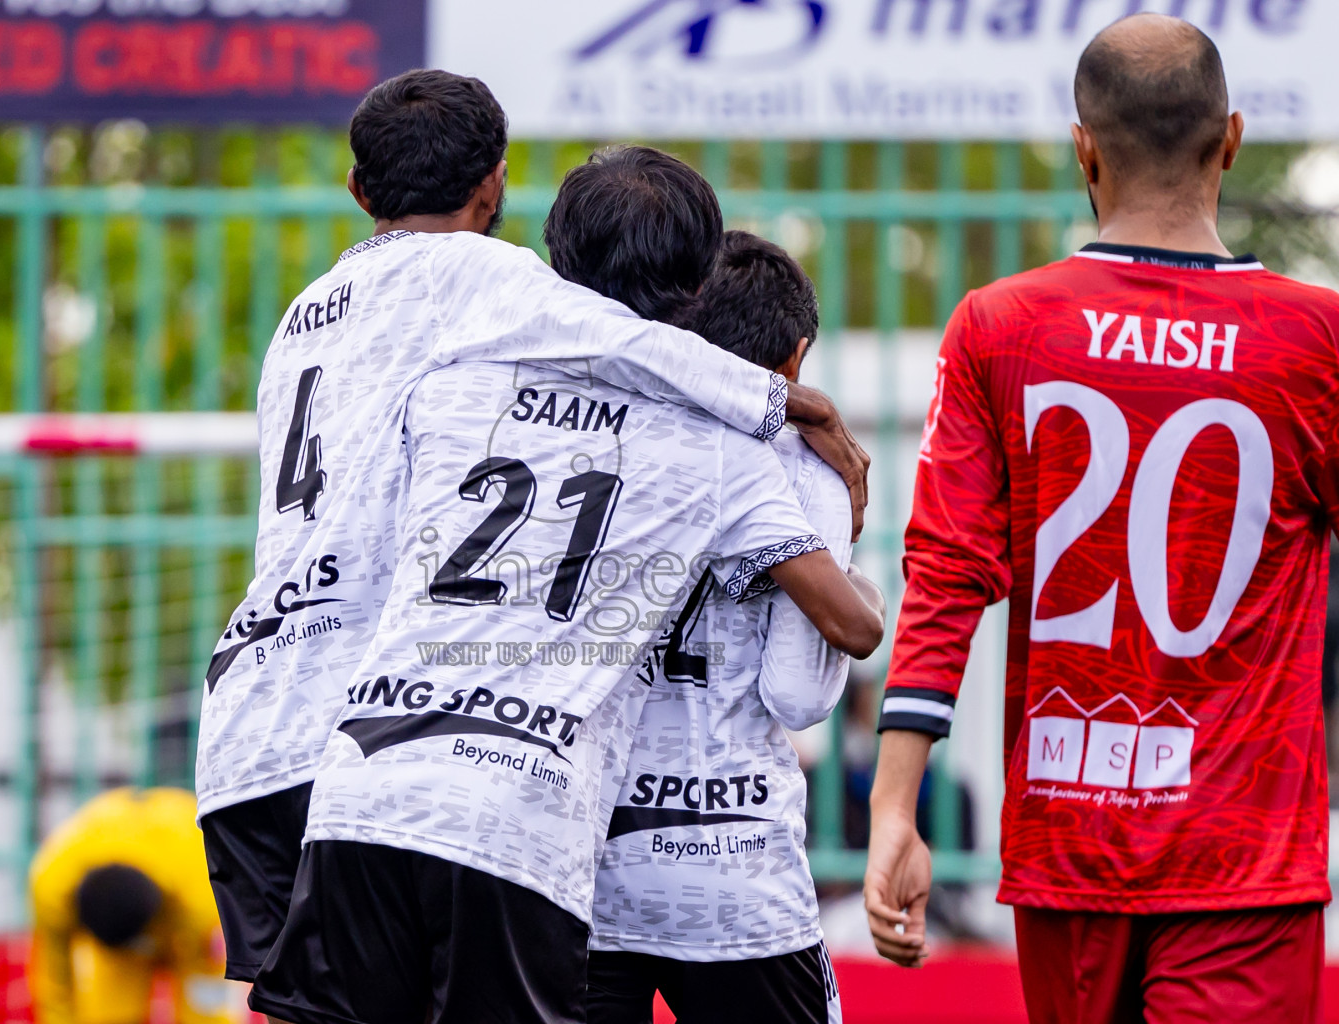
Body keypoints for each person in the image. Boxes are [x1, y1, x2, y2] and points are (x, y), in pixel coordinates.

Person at [194, 69, 869, 987]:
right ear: (496, 184)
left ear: (357, 191)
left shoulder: (303, 319)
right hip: (387, 727)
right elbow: (634, 346)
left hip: (254, 716)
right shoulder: (490, 284)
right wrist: (796, 404)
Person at [863, 13, 1339, 1023]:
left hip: (1069, 842)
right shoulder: (1315, 340)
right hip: (1243, 857)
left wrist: (894, 806)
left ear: (1085, 147)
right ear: (1233, 139)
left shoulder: (1001, 324)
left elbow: (946, 574)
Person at [586, 231, 869, 1024]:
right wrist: (856, 568)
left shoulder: (604, 440)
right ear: (796, 356)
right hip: (732, 869)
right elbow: (799, 696)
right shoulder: (799, 462)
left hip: (593, 865)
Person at [28, 788, 239, 1024]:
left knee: (206, 1013)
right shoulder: (53, 883)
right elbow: (56, 983)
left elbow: (209, 964)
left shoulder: (204, 886)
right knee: (112, 1016)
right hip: (124, 927)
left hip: (188, 922)